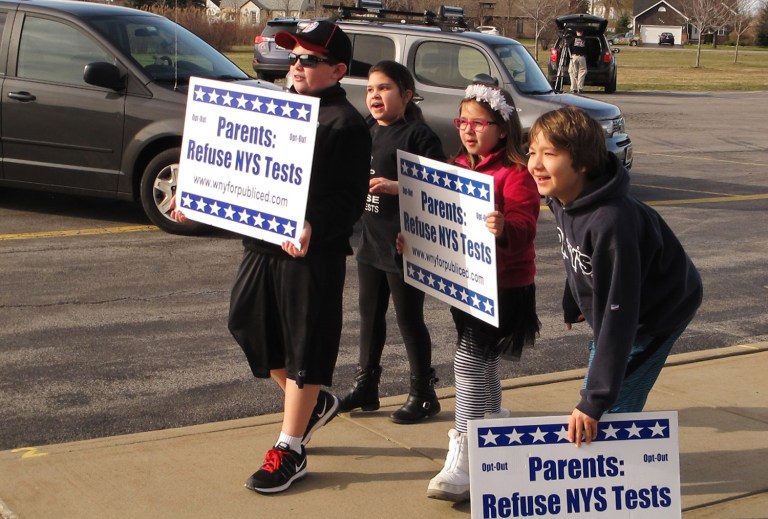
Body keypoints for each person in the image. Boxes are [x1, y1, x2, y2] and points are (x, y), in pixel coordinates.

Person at [173, 20, 371, 494]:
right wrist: (196, 196)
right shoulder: (274, 107)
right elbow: (235, 164)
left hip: (310, 254)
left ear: (338, 70)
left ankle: (290, 447)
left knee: (305, 344)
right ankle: (310, 403)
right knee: (246, 324)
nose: (296, 66)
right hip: (262, 244)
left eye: (309, 59)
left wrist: (313, 225)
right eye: (293, 56)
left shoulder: (344, 123)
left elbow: (349, 198)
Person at [527, 106, 703, 447]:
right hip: (622, 304)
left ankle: (620, 469)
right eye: (532, 151)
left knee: (612, 406)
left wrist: (593, 401)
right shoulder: (561, 198)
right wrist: (573, 301)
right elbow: (575, 253)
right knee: (603, 380)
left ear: (582, 163)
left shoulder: (611, 221)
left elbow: (619, 314)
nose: (535, 163)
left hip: (656, 311)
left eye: (550, 154)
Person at [421, 83, 541, 502]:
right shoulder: (457, 165)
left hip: (504, 286)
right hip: (465, 282)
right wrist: (417, 241)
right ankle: (492, 434)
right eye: (462, 121)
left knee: (468, 362)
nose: (468, 130)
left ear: (503, 129)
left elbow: (526, 226)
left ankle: (466, 455)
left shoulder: (515, 173)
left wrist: (505, 227)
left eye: (478, 123)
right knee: (483, 363)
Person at [337, 61, 446, 424]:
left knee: (409, 319)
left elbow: (440, 188)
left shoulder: (418, 136)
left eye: (384, 88)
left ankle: (424, 393)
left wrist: (396, 186)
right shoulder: (366, 129)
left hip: (405, 244)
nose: (374, 95)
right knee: (369, 316)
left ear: (406, 95)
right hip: (370, 241)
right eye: (370, 89)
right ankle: (367, 386)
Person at [568, 29, 587, 93]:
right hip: (582, 57)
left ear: (576, 32)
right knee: (582, 71)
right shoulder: (585, 39)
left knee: (572, 72)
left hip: (574, 57)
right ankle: (580, 87)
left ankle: (573, 88)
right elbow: (589, 48)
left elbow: (568, 46)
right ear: (582, 32)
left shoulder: (573, 39)